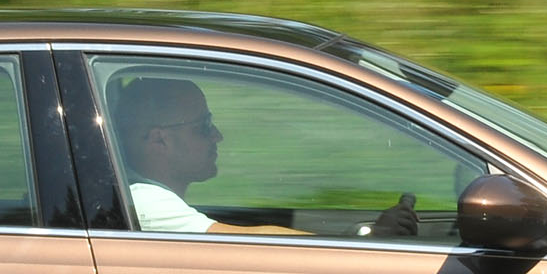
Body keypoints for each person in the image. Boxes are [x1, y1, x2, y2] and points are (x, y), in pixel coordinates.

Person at [108, 74, 419, 239]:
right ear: (160, 139)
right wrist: (366, 238)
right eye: (203, 126)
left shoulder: (142, 196)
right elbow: (244, 241)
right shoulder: (143, 203)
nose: (218, 135)